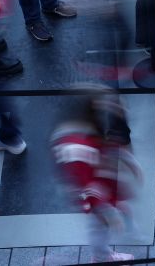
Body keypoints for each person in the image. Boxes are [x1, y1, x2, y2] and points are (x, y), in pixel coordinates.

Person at [51, 93, 140, 264]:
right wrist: (107, 211)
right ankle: (100, 257)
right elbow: (88, 186)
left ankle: (103, 251)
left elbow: (102, 151)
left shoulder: (81, 136)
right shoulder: (80, 146)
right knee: (98, 227)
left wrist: (127, 161)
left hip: (100, 186)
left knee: (105, 220)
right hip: (95, 195)